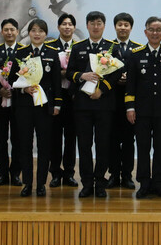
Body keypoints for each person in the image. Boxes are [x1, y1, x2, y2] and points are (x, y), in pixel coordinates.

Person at [66, 11, 123, 198]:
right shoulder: (78, 47)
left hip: (104, 104)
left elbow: (117, 73)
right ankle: (87, 183)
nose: (96, 26)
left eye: (99, 23)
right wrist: (81, 76)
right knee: (84, 145)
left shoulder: (112, 47)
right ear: (87, 26)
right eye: (92, 23)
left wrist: (102, 90)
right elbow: (70, 72)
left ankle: (100, 182)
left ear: (104, 26)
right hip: (82, 105)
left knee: (103, 144)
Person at [125, 17, 161, 199]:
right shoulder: (135, 54)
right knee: (142, 148)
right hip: (141, 111)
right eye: (151, 29)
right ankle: (144, 183)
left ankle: (158, 183)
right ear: (145, 32)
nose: (155, 33)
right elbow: (130, 85)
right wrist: (130, 108)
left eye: (158, 30)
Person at [10, 19, 62, 197]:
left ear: (46, 34)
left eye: (41, 30)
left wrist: (57, 104)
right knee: (25, 145)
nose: (37, 34)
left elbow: (56, 82)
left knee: (44, 145)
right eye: (33, 30)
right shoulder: (21, 52)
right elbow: (11, 79)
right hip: (24, 106)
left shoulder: (52, 53)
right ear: (29, 33)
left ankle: (41, 183)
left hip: (44, 107)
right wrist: (24, 89)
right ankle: (27, 183)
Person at [107, 12, 141, 190]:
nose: (123, 28)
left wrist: (130, 79)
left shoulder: (138, 49)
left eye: (126, 25)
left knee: (129, 139)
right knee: (112, 139)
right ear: (115, 27)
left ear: (131, 28)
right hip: (111, 101)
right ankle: (113, 174)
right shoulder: (107, 48)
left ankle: (127, 175)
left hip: (131, 102)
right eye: (119, 24)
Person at [45, 13, 79, 188]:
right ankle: (55, 173)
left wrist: (71, 75)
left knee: (71, 137)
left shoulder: (79, 47)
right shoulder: (50, 47)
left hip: (74, 98)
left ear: (74, 27)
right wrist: (60, 74)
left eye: (70, 24)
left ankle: (69, 173)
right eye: (64, 24)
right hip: (55, 98)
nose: (67, 27)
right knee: (54, 137)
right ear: (58, 27)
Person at [0, 18, 23, 187]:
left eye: (12, 29)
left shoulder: (24, 51)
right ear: (2, 32)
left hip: (19, 102)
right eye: (6, 30)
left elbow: (28, 76)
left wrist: (14, 89)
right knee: (1, 139)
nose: (9, 32)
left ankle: (16, 173)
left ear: (17, 32)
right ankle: (2, 174)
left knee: (17, 139)